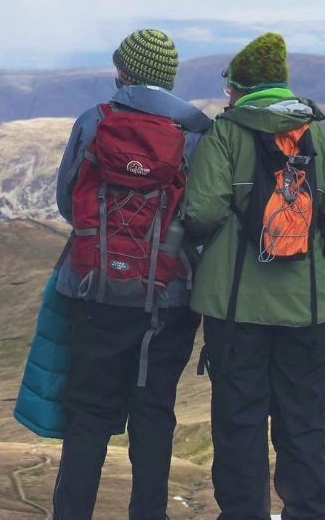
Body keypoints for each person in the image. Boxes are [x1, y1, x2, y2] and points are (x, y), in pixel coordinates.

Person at [184, 32, 325, 520]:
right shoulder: (321, 137)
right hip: (305, 308)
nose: (227, 95)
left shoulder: (224, 135)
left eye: (229, 87)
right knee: (303, 421)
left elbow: (201, 213)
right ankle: (308, 511)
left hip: (234, 309)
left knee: (239, 423)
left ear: (242, 88)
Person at [50, 28, 213, 520]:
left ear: (122, 71)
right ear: (169, 77)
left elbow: (68, 201)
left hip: (94, 291)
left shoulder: (94, 121)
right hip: (167, 297)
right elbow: (202, 215)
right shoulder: (197, 132)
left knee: (88, 414)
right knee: (153, 412)